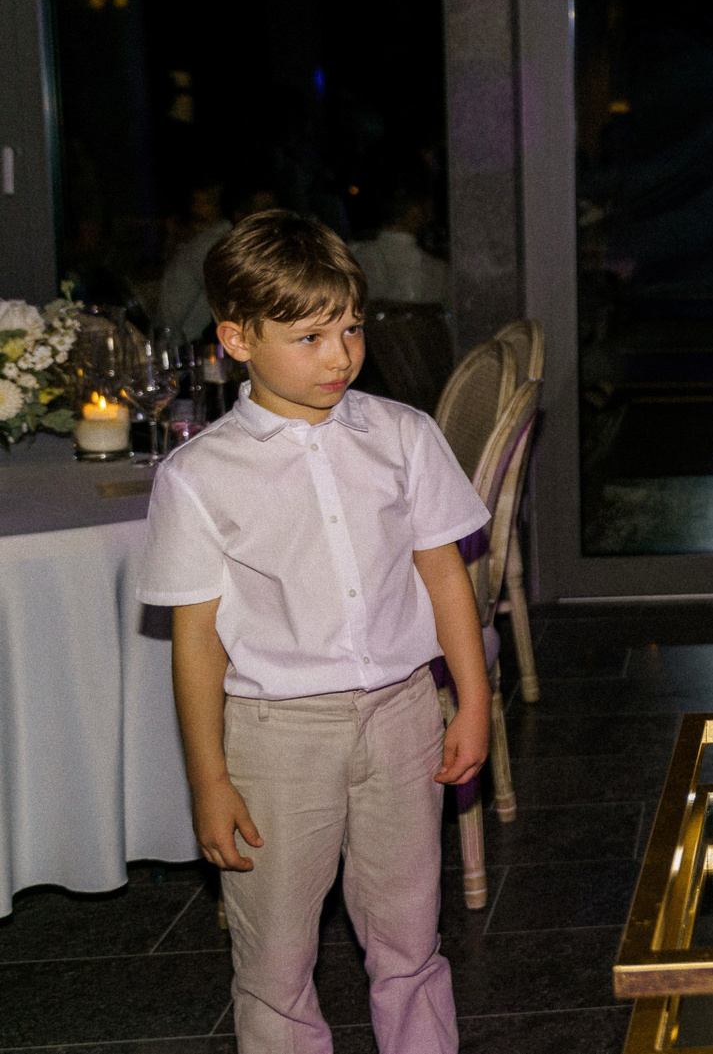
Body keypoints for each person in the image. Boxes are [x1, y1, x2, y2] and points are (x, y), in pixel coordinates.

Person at [136, 210, 492, 1052]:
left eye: (352, 328)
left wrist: (474, 701)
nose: (340, 356)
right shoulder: (197, 475)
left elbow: (445, 576)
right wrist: (209, 779)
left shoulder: (404, 434)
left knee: (411, 937)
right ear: (237, 338)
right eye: (310, 337)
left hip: (403, 714)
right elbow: (197, 641)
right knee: (276, 960)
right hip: (277, 737)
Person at [156, 178, 233, 343]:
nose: (197, 209)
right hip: (177, 338)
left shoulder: (212, 243)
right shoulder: (199, 238)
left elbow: (224, 292)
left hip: (186, 343)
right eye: (196, 202)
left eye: (207, 202)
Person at [351, 185, 450, 305]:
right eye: (429, 211)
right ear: (415, 212)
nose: (432, 218)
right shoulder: (437, 269)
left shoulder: (353, 254)